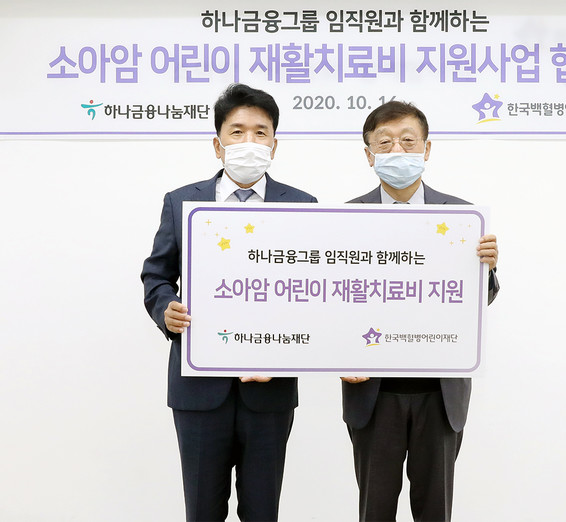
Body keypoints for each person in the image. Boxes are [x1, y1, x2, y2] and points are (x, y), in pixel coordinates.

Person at [141, 83, 317, 522]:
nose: (249, 141)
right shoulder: (182, 201)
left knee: (262, 511)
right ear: (218, 144)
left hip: (270, 389)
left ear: (274, 144)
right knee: (202, 510)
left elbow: (314, 291)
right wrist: (166, 309)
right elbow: (156, 275)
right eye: (237, 131)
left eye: (260, 132)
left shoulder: (303, 205)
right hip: (200, 389)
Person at [341, 101, 499, 522]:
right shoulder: (345, 218)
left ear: (427, 149)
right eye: (385, 142)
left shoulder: (463, 217)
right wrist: (336, 353)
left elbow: (477, 300)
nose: (398, 150)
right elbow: (330, 300)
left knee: (435, 511)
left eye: (408, 141)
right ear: (369, 154)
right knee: (374, 510)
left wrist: (486, 269)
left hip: (440, 392)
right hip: (373, 392)